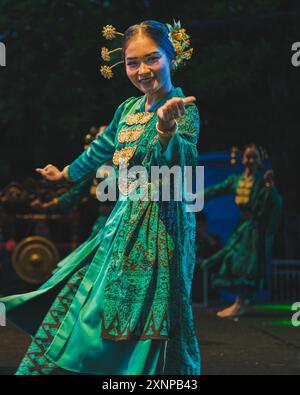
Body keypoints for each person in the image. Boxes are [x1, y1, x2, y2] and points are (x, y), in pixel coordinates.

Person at [0, 20, 200, 375]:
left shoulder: (183, 107)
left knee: (153, 314)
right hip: (121, 221)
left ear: (172, 56)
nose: (142, 71)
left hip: (163, 226)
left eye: (152, 59)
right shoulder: (127, 109)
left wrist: (167, 131)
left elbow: (179, 170)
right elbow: (101, 148)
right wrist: (65, 174)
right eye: (132, 62)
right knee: (82, 293)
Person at [197, 144, 282, 318]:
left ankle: (240, 302)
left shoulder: (261, 182)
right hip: (243, 227)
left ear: (259, 161)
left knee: (246, 265)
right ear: (243, 159)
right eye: (248, 156)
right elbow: (216, 189)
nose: (250, 160)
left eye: (254, 157)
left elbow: (274, 202)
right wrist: (195, 196)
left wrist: (269, 186)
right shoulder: (236, 180)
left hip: (254, 230)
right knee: (232, 260)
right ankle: (240, 302)